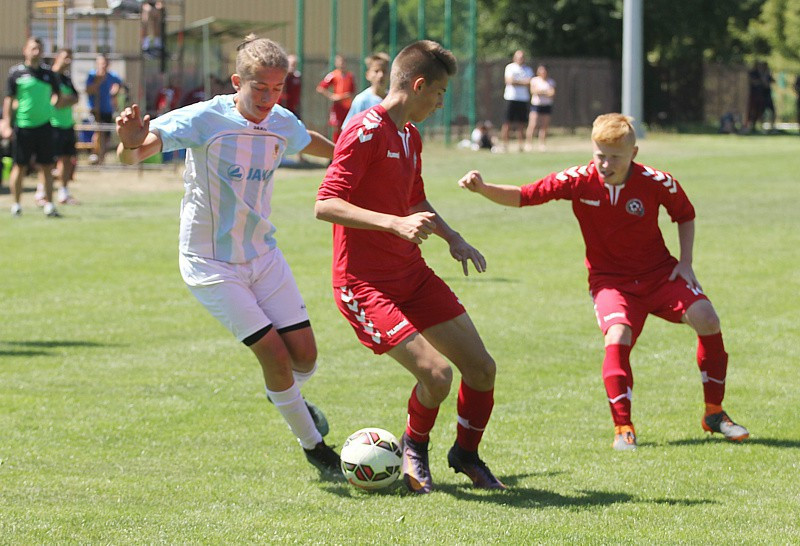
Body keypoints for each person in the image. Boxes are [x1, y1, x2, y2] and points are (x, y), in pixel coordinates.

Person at [115, 35, 341, 475]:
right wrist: (128, 141)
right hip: (210, 262)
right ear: (237, 82)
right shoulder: (204, 118)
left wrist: (346, 157)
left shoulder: (279, 119)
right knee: (275, 357)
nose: (268, 98)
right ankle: (316, 448)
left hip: (263, 254)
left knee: (305, 358)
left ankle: (284, 395)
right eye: (260, 88)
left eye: (277, 89)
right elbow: (135, 153)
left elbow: (302, 138)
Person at [458, 113, 750, 451]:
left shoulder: (657, 181)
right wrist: (483, 189)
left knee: (707, 318)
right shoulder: (578, 180)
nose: (605, 164)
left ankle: (714, 413)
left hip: (659, 275)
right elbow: (525, 195)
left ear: (633, 154)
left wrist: (686, 262)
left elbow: (684, 214)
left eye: (614, 157)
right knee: (618, 334)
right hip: (611, 282)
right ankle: (623, 427)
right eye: (600, 155)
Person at [315, 40, 505, 494]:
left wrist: (452, 237)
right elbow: (325, 203)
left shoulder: (409, 134)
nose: (441, 103)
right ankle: (413, 448)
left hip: (410, 274)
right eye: (439, 93)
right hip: (364, 284)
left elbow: (415, 199)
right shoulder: (364, 131)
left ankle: (466, 454)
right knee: (437, 375)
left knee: (481, 369)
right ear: (418, 86)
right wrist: (393, 223)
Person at [1, 37, 61, 217]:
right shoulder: (16, 73)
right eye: (33, 48)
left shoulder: (48, 74)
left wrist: (50, 107)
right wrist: (6, 124)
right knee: (19, 166)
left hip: (44, 126)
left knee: (47, 166)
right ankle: (16, 204)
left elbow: (57, 95)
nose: (37, 52)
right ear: (25, 50)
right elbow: (9, 99)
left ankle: (49, 204)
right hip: (23, 126)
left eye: (39, 48)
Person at [39, 47, 80, 206]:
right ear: (57, 57)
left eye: (70, 58)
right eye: (65, 57)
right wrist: (65, 100)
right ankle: (41, 193)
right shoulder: (49, 77)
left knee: (67, 160)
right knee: (47, 162)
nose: (68, 61)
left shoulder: (66, 78)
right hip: (53, 124)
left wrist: (64, 99)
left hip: (67, 124)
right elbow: (55, 102)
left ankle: (63, 193)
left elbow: (75, 98)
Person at [85, 54, 122, 165]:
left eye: (105, 63)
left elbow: (120, 84)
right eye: (101, 63)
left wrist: (115, 91)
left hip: (107, 109)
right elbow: (88, 90)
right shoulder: (92, 75)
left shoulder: (112, 76)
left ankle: (102, 158)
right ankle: (95, 154)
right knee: (98, 132)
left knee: (106, 136)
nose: (103, 66)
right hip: (95, 109)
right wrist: (98, 81)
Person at [341, 52, 390, 130]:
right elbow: (348, 129)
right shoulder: (362, 100)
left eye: (384, 71)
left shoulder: (393, 99)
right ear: (368, 75)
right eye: (376, 71)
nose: (381, 75)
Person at [316, 54, 355, 142]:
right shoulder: (333, 75)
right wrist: (331, 96)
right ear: (336, 63)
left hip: (347, 106)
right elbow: (320, 88)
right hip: (337, 106)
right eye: (339, 62)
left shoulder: (350, 75)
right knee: (337, 127)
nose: (342, 64)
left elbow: (352, 92)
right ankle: (335, 146)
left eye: (343, 62)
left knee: (347, 127)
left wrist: (344, 97)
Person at [500, 50, 533, 152]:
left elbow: (530, 82)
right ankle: (505, 145)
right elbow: (509, 81)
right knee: (507, 123)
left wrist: (517, 81)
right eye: (518, 57)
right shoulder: (510, 67)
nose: (520, 59)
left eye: (522, 57)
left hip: (523, 99)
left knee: (521, 124)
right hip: (511, 98)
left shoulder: (528, 69)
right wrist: (523, 82)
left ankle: (520, 145)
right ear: (514, 58)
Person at [526, 64, 555, 151]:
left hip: (546, 105)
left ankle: (542, 144)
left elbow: (552, 93)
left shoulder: (550, 81)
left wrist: (542, 92)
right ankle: (528, 144)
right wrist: (545, 92)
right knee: (533, 125)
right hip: (536, 105)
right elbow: (534, 91)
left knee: (544, 126)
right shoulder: (535, 80)